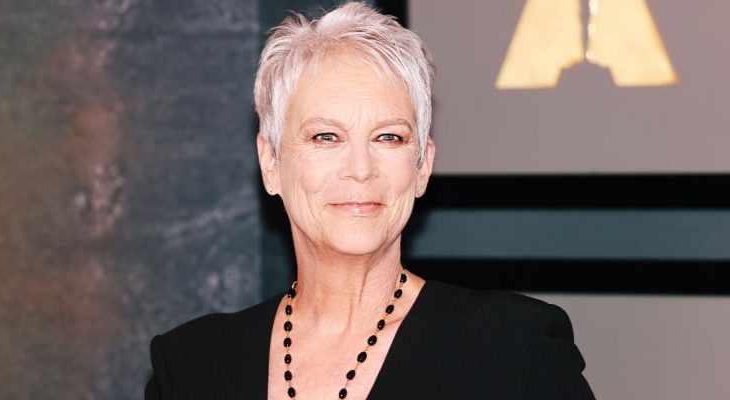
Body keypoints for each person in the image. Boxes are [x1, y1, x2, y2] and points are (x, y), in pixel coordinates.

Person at [144, 2, 595, 399]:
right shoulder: (190, 366)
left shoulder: (515, 350)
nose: (360, 169)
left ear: (422, 166)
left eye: (388, 137)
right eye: (326, 136)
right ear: (271, 162)